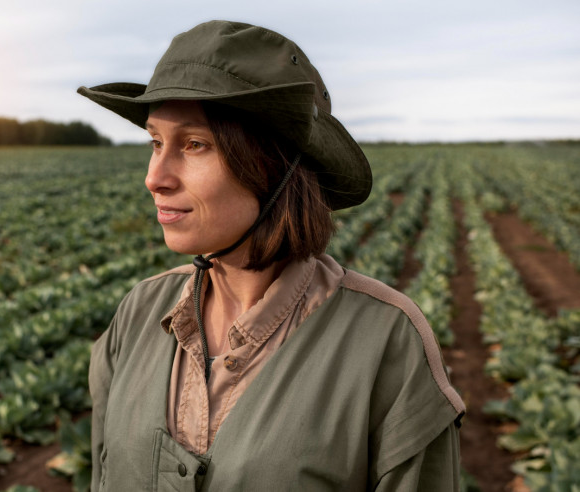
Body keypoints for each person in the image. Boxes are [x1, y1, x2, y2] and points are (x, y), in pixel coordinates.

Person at [78, 20, 465, 491]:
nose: (155, 177)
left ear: (272, 165)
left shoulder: (387, 342)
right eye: (156, 143)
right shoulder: (140, 312)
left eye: (194, 144)